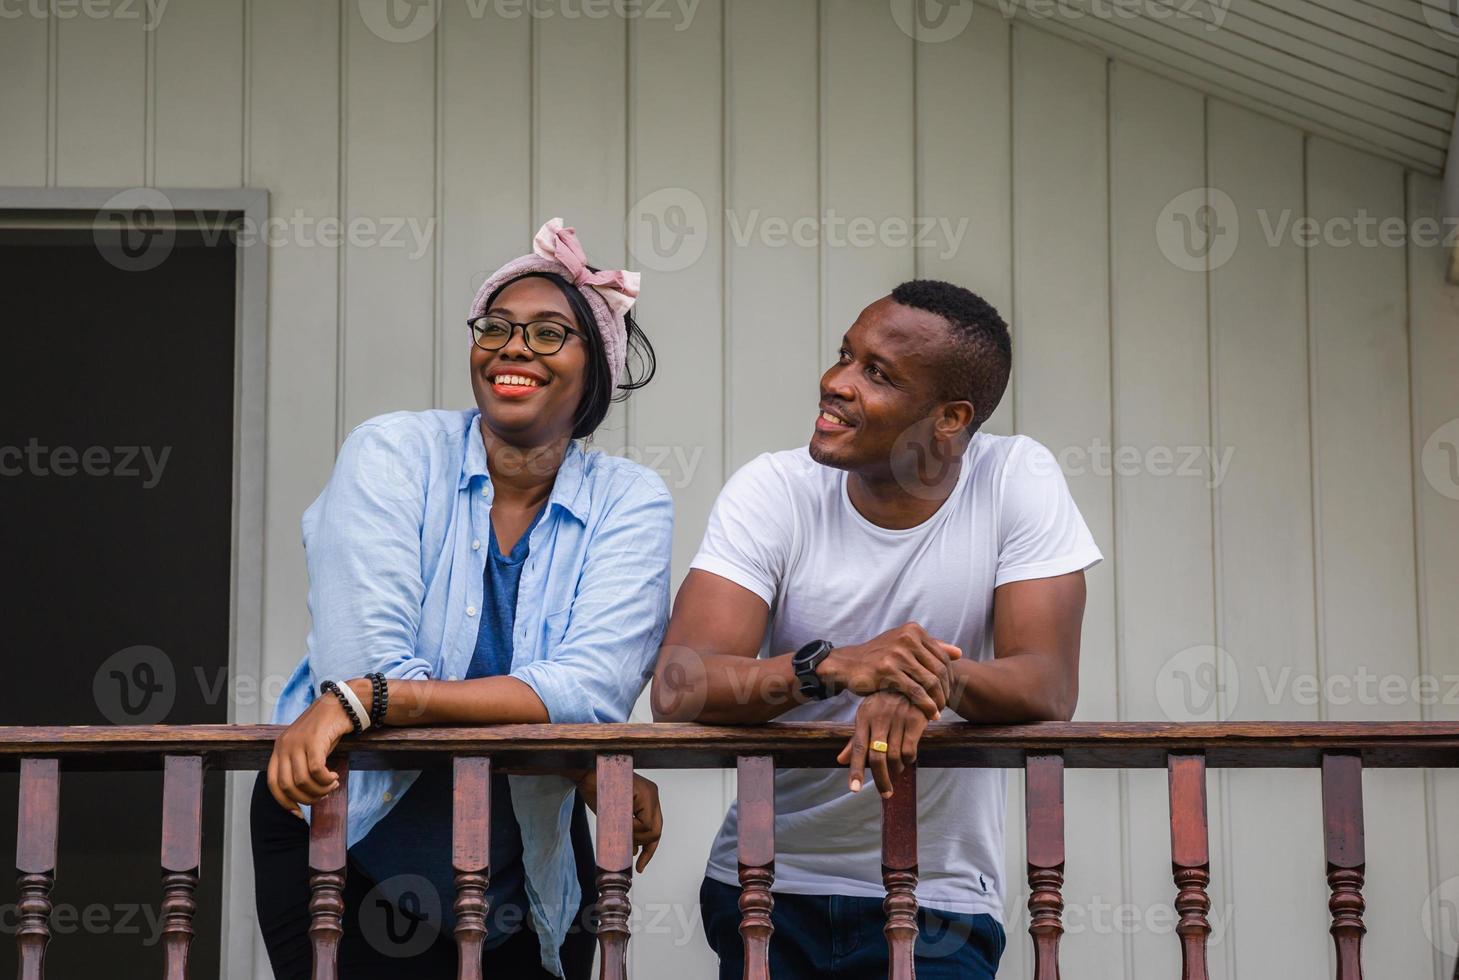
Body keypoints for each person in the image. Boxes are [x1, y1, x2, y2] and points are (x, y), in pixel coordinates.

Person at [252, 219, 673, 979]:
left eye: (550, 334)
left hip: (530, 856)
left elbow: (591, 691)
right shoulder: (392, 452)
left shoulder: (630, 500)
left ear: (596, 372)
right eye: (497, 327)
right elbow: (365, 655)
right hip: (345, 831)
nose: (513, 347)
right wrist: (561, 749)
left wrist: (375, 700)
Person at [652, 280, 1100, 979]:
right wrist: (829, 666)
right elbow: (679, 686)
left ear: (950, 418)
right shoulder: (774, 490)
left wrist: (928, 681)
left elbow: (1046, 684)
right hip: (766, 890)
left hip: (937, 898)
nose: (834, 384)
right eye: (843, 356)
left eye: (877, 374)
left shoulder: (1014, 477)